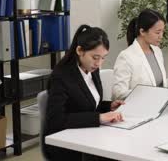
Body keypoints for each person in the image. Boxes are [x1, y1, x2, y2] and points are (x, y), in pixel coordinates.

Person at [44, 25, 124, 161]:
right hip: (67, 144)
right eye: (95, 57)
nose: (99, 63)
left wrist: (109, 106)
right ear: (80, 50)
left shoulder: (92, 69)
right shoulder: (61, 76)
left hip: (89, 134)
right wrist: (99, 118)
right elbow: (55, 120)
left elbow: (88, 104)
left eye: (103, 58)